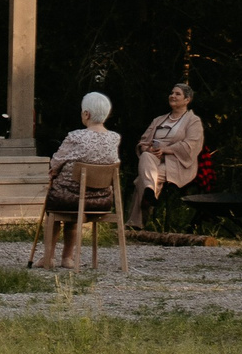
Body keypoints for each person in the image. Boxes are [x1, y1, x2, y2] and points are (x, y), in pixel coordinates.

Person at [37, 92, 122, 268]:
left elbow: (56, 161)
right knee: (76, 206)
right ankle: (67, 258)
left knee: (56, 207)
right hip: (101, 199)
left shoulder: (76, 137)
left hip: (70, 197)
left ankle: (49, 257)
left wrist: (54, 171)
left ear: (86, 114)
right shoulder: (114, 138)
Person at [127, 83, 203, 229]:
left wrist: (166, 149)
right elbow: (143, 142)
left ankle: (135, 224)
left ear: (187, 100)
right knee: (145, 156)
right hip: (153, 159)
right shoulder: (158, 120)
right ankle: (149, 193)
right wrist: (149, 148)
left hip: (177, 163)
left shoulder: (193, 121)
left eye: (177, 94)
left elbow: (191, 145)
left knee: (143, 179)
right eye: (171, 93)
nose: (172, 96)